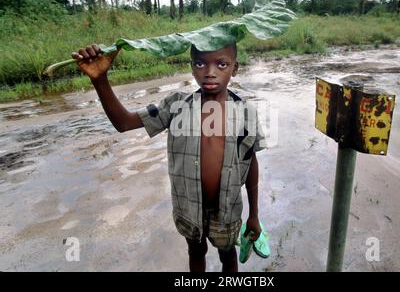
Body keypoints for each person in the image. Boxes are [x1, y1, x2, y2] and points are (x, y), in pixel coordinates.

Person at [71, 42, 266, 272]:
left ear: (235, 68)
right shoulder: (176, 106)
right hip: (188, 209)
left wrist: (254, 215)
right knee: (195, 251)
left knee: (228, 255)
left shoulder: (246, 113)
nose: (210, 72)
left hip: (227, 210)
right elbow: (123, 123)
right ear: (192, 67)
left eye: (221, 64)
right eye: (200, 63)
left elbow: (250, 162)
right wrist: (100, 79)